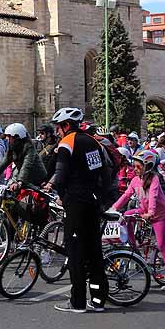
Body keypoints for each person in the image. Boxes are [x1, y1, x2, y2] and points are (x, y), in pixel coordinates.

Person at [44, 107, 110, 314]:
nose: (56, 132)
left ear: (65, 126)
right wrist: (100, 197)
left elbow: (60, 175)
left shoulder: (67, 142)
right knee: (94, 252)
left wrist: (57, 192)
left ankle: (78, 301)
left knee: (75, 253)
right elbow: (105, 173)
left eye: (58, 127)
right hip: (93, 201)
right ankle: (98, 300)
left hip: (76, 203)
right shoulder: (94, 142)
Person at [110, 149, 165, 290]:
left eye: (138, 167)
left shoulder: (154, 179)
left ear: (148, 166)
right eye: (134, 166)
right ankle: (133, 245)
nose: (135, 169)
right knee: (126, 215)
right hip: (143, 211)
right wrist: (113, 209)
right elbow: (126, 195)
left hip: (158, 215)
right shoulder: (134, 180)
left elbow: (153, 196)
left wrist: (151, 212)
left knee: (161, 244)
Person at [0, 123, 47, 190]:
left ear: (17, 137)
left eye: (9, 136)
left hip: (37, 180)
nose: (7, 139)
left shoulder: (29, 148)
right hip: (25, 179)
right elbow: (3, 163)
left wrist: (19, 181)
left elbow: (26, 165)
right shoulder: (12, 147)